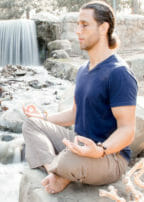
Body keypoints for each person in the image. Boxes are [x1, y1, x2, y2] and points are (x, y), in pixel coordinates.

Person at [22, 1, 138, 194]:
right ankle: (59, 172)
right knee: (30, 124)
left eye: (84, 25)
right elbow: (75, 114)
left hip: (110, 157)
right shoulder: (84, 69)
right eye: (77, 24)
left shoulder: (119, 73)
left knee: (68, 159)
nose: (77, 31)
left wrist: (100, 149)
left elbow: (128, 130)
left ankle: (62, 170)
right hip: (79, 142)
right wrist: (43, 117)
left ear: (103, 28)